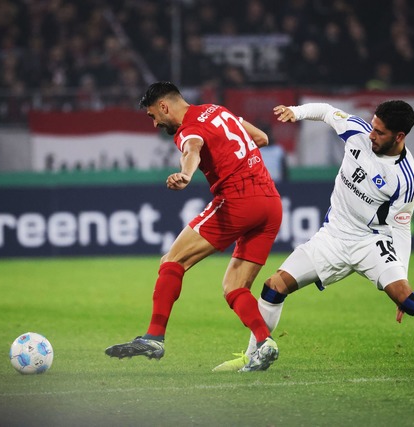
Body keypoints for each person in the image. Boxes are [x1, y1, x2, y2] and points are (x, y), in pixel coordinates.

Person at [214, 100, 414, 371]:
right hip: (331, 237)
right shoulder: (358, 132)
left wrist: (401, 275)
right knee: (273, 286)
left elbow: (401, 227)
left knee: (406, 298)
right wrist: (296, 111)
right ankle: (252, 356)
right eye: (373, 127)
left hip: (370, 242)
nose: (372, 135)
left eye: (380, 132)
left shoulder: (406, 179)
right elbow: (328, 112)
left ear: (399, 136)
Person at [105, 81, 283, 372]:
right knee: (234, 286)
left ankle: (154, 336)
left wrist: (186, 175)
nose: (154, 124)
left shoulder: (188, 129)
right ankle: (265, 342)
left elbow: (192, 149)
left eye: (153, 116)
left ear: (164, 106)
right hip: (271, 203)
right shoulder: (218, 111)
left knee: (172, 261)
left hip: (239, 200)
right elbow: (261, 138)